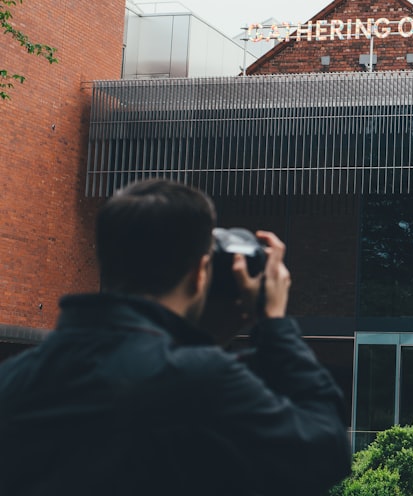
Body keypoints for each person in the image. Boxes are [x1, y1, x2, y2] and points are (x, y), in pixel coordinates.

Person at [0, 179, 352, 495]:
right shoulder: (198, 379)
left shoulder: (13, 378)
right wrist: (274, 323)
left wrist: (199, 342)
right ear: (201, 271)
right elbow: (325, 451)